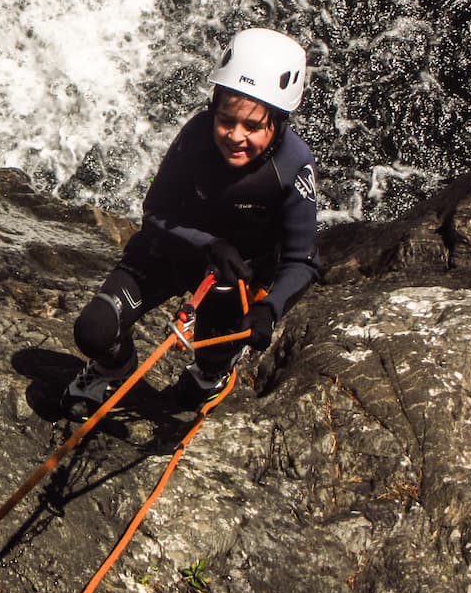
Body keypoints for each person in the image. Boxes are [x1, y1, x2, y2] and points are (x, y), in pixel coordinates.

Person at [63, 27, 321, 416]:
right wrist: (206, 244)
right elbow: (155, 212)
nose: (235, 136)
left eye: (252, 127)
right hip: (170, 254)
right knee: (94, 330)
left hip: (233, 279)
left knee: (195, 387)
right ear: (214, 108)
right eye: (226, 120)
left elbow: (302, 260)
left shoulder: (293, 167)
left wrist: (270, 308)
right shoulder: (197, 137)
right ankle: (113, 368)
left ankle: (211, 372)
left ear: (278, 124)